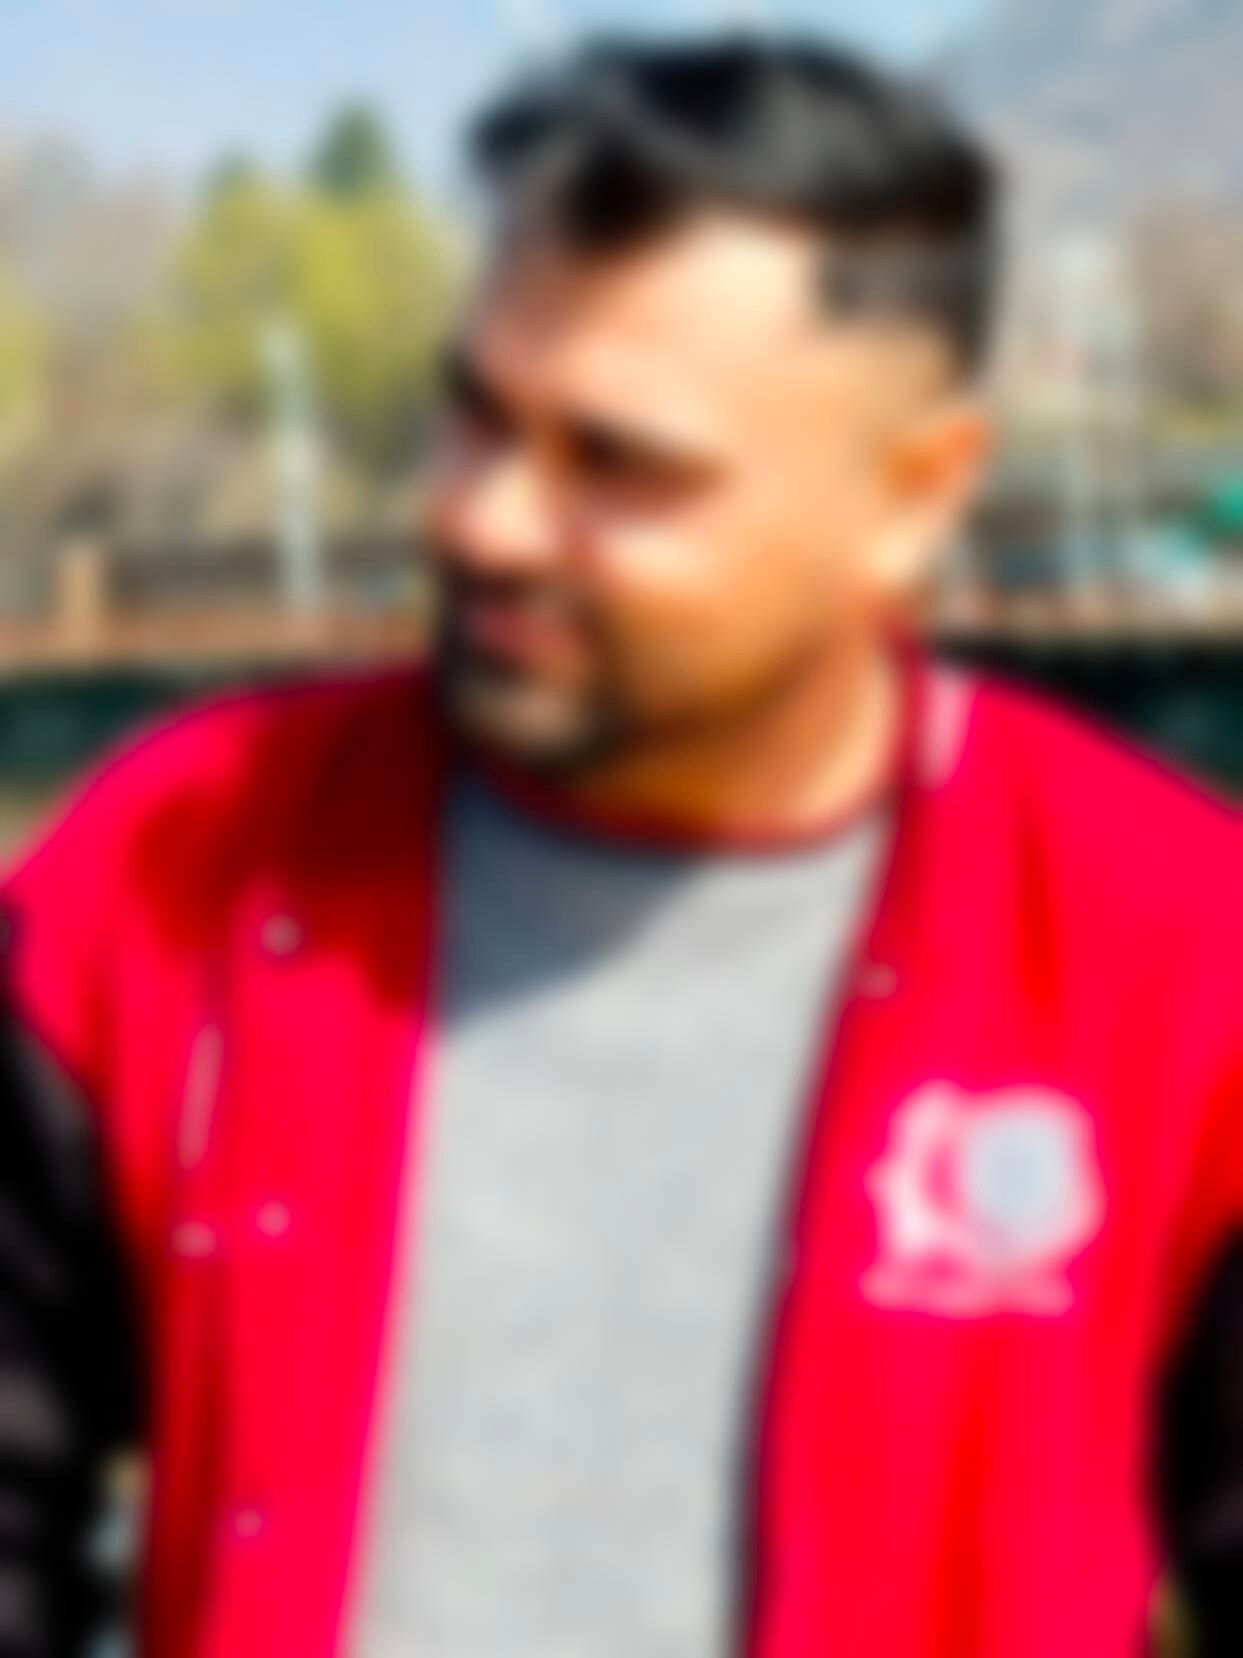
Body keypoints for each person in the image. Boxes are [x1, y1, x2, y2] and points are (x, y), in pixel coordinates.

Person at [0, 34, 1238, 1658]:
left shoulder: (1172, 944)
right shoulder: (178, 863)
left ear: (915, 495)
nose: (485, 518)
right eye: (474, 419)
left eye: (620, 466)